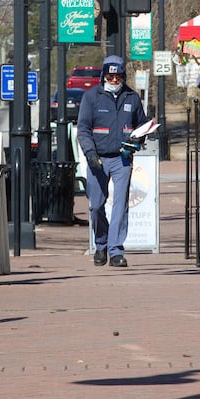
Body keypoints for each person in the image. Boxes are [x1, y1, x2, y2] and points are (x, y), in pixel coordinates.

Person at [76, 55, 148, 268]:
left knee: (120, 206)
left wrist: (137, 140)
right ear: (103, 75)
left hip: (122, 159)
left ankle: (116, 250)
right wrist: (90, 153)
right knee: (96, 206)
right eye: (110, 75)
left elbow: (141, 125)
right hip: (98, 158)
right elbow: (83, 129)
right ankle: (101, 245)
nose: (114, 80)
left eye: (118, 76)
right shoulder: (91, 97)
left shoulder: (132, 98)